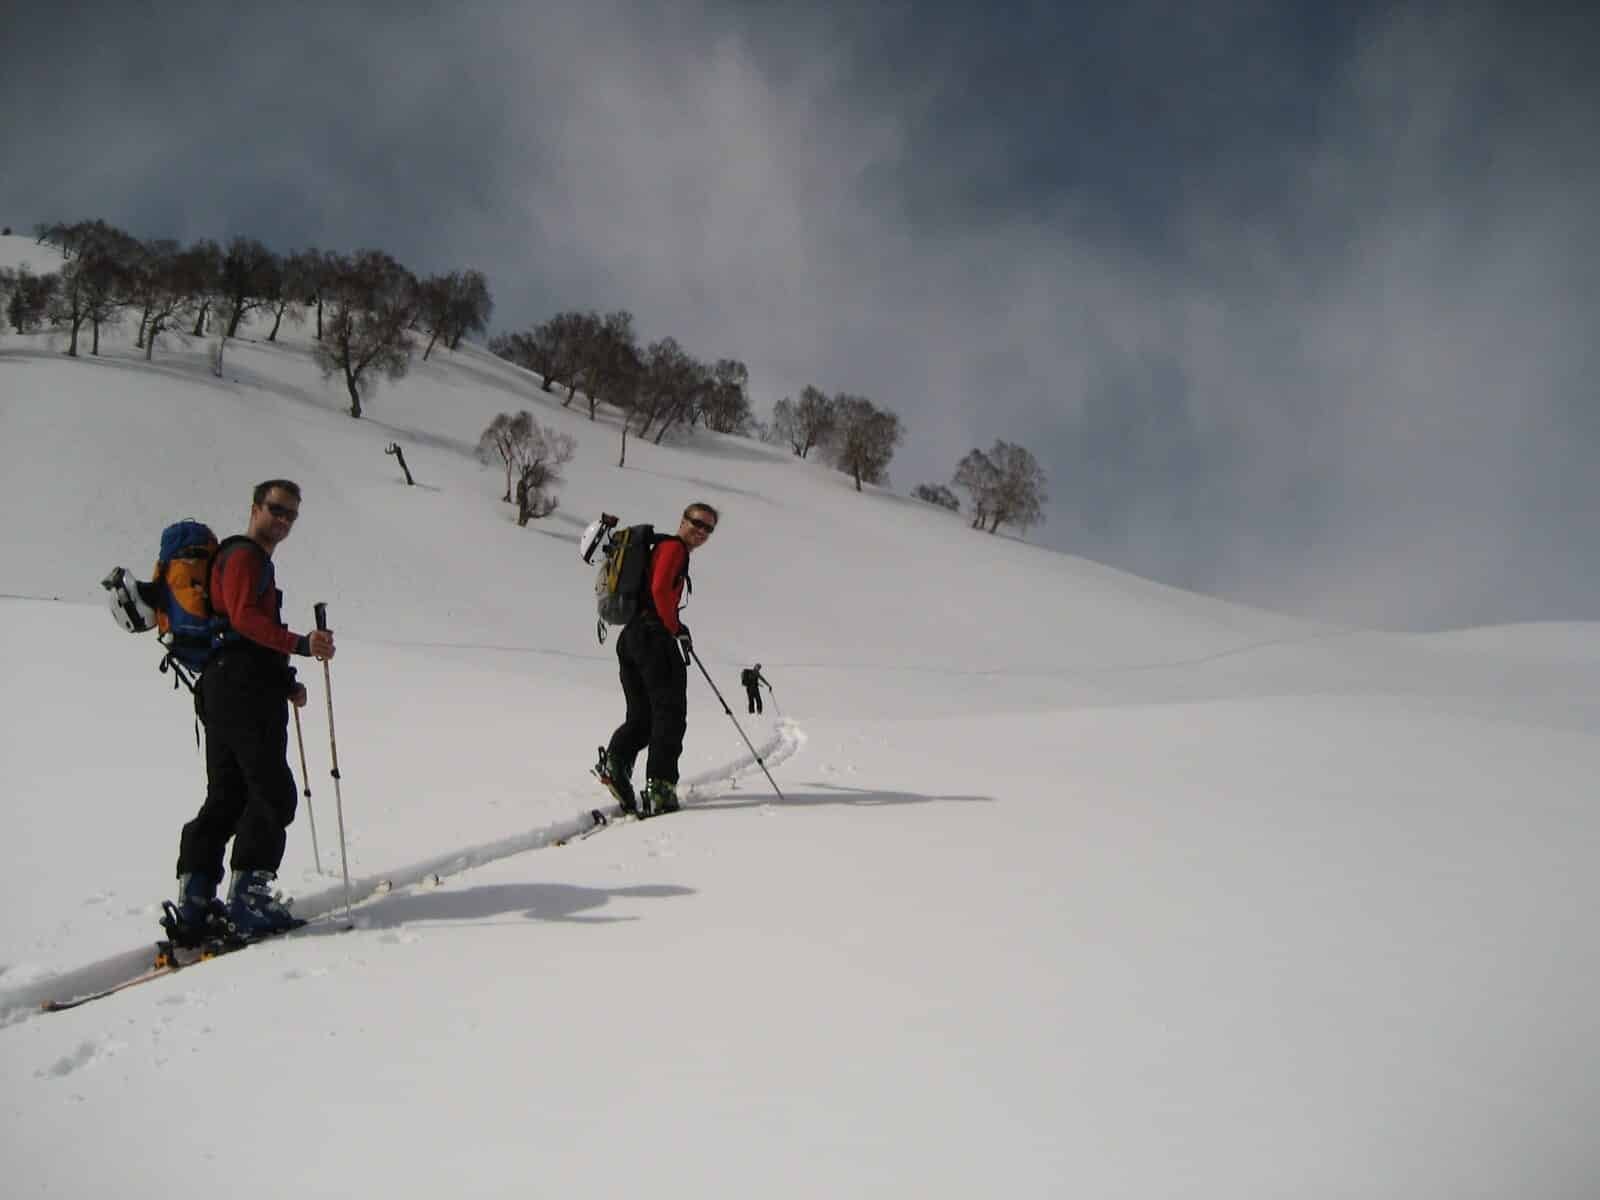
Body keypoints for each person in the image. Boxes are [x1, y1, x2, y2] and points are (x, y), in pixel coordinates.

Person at [167, 480, 336, 941]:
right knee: (274, 794)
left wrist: (286, 682)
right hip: (243, 688)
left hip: (225, 685)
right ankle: (249, 902)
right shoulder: (245, 556)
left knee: (228, 796)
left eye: (291, 514)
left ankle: (195, 901)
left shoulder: (243, 560)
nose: (283, 520)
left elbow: (242, 632)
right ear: (255, 507)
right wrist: (301, 644)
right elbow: (244, 620)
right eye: (276, 509)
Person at [602, 502, 718, 816]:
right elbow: (660, 589)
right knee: (670, 713)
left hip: (632, 637)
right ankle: (661, 787)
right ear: (683, 519)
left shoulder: (661, 548)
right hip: (653, 638)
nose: (701, 531)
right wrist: (674, 627)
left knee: (643, 717)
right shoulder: (673, 548)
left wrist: (675, 626)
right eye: (697, 523)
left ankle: (616, 763)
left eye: (708, 528)